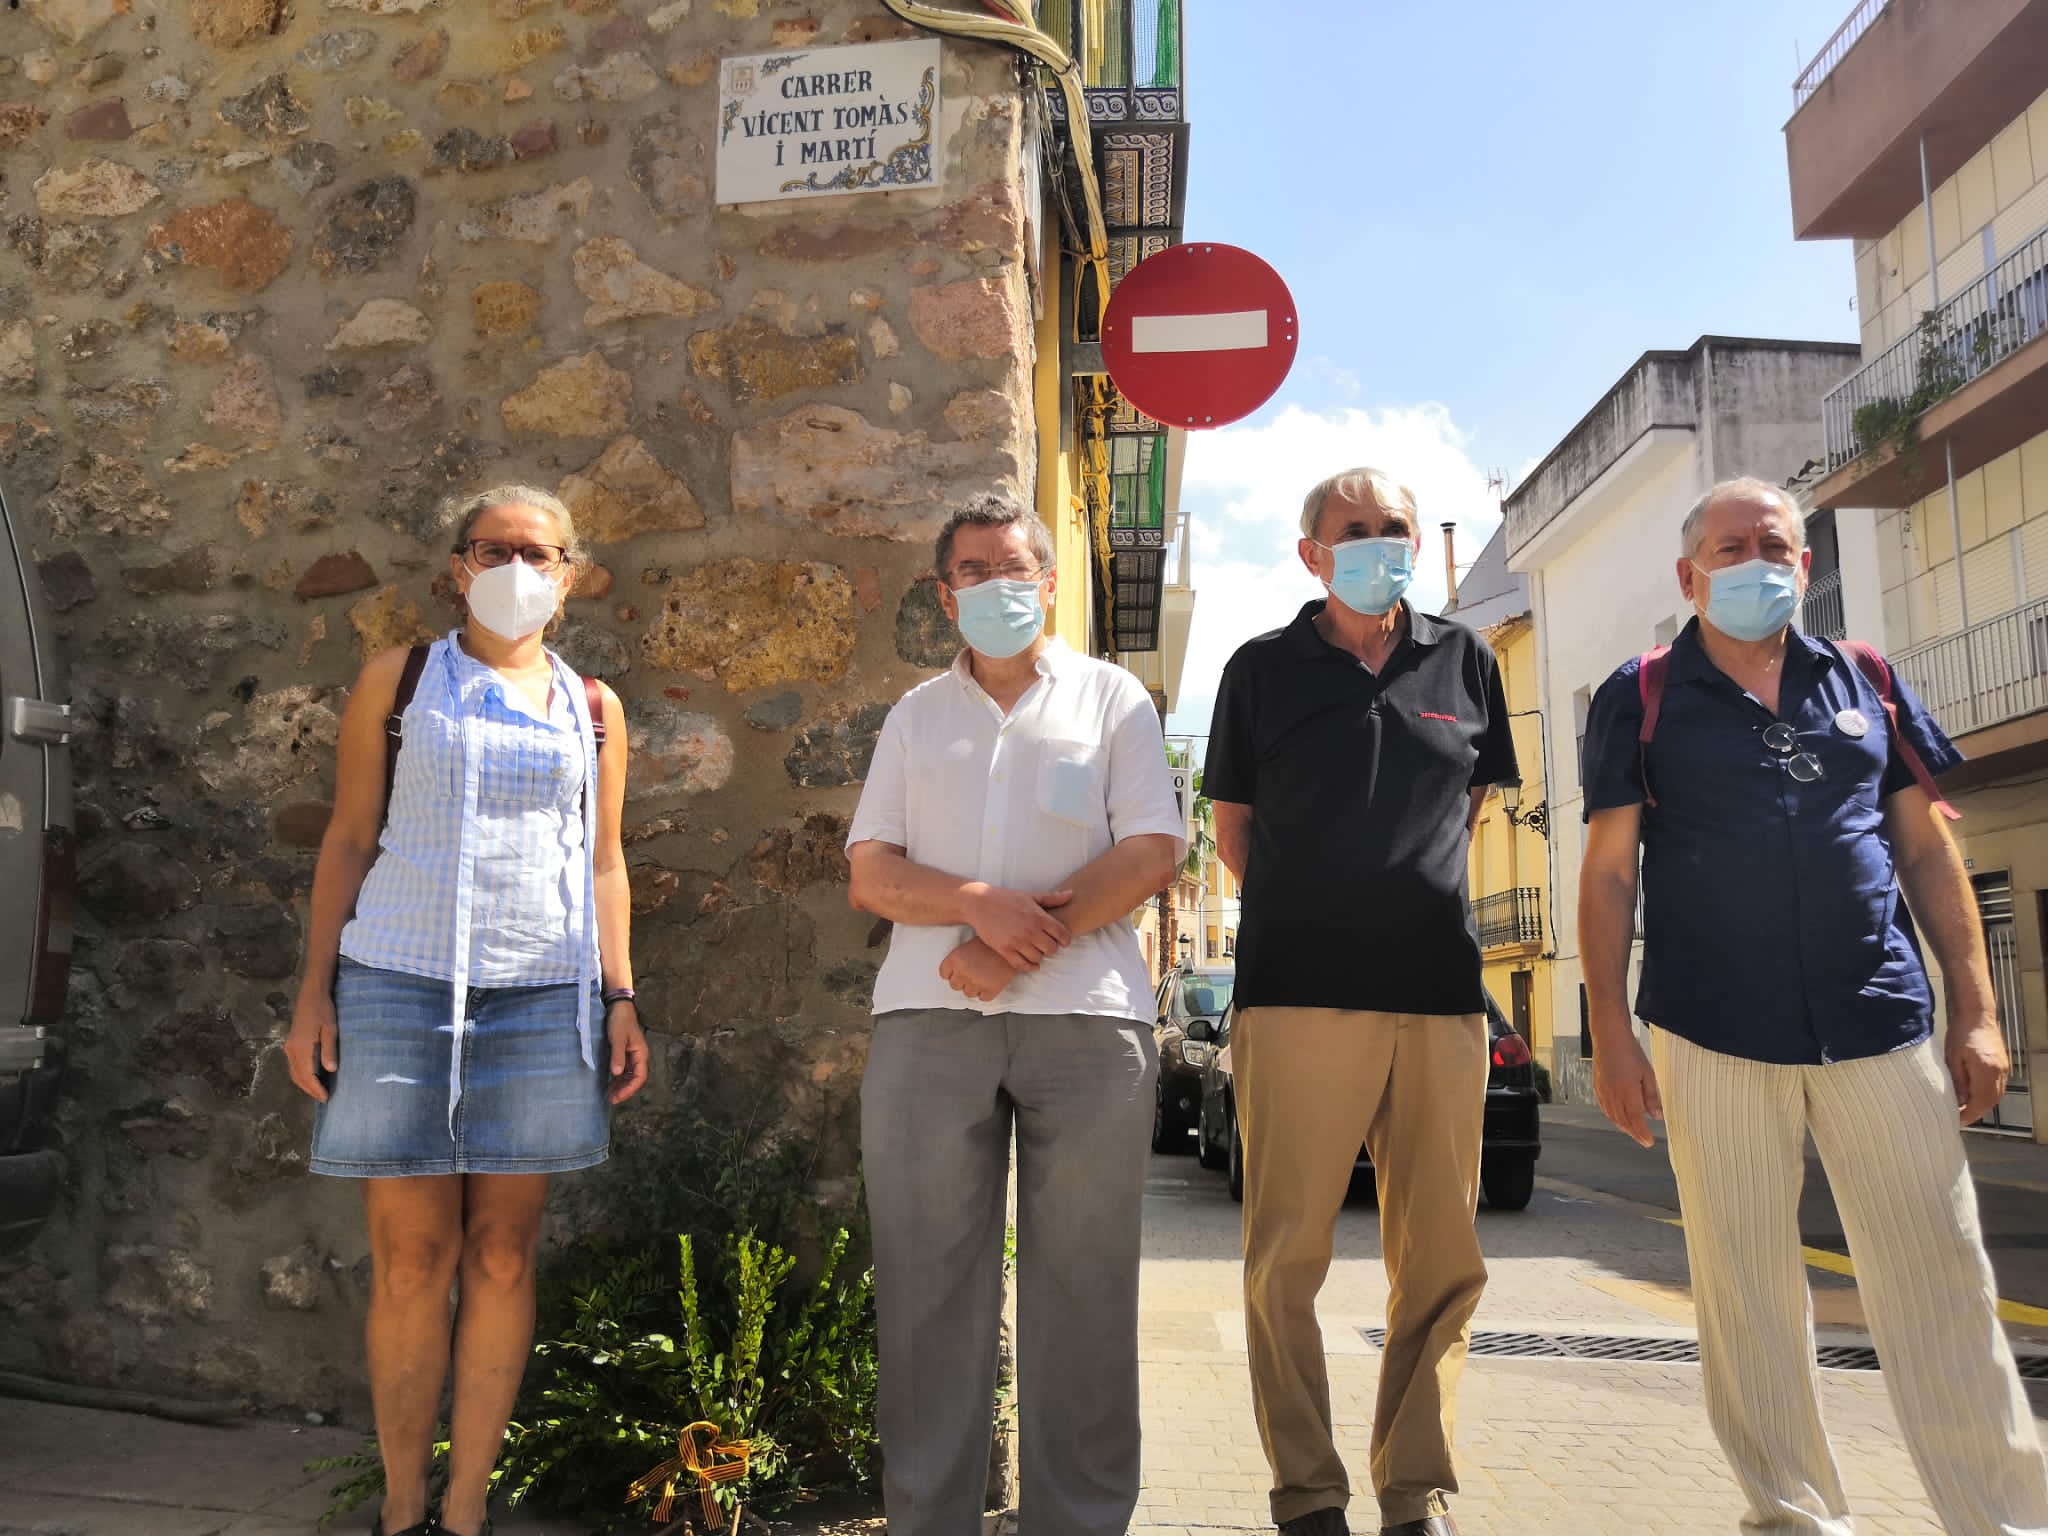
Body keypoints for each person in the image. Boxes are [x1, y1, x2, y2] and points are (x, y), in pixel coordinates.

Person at [1578, 476, 2048, 1534]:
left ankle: (2000, 1518)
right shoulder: (1641, 692)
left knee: (1940, 1280)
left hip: (1878, 1021)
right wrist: (1607, 1028)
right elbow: (1607, 872)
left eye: (1777, 545)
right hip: (1710, 1028)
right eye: (1731, 545)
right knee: (1745, 1296)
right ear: (1687, 573)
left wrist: (1973, 1010)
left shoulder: (1866, 677)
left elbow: (1927, 847)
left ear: (1802, 562)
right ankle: (1793, 1519)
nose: (1757, 561)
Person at [285, 485, 650, 1536]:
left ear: (571, 576)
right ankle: (400, 1513)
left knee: (500, 1253)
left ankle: (465, 1511)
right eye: (494, 550)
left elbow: (606, 862)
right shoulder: (398, 682)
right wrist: (315, 990)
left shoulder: (591, 708)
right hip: (396, 985)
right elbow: (349, 838)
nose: (516, 569)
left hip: (542, 997)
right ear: (456, 566)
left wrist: (618, 995)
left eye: (539, 555)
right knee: (411, 1259)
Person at [846, 491, 1186, 1536]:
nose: (999, 588)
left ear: (1046, 579)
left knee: (1082, 1289)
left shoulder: (1112, 698)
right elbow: (871, 871)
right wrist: (972, 909)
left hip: (1088, 1024)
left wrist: (1019, 946)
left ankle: (1077, 1523)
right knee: (922, 1286)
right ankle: (928, 1521)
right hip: (923, 1017)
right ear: (944, 596)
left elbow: (1152, 849)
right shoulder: (915, 716)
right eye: (975, 574)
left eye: (1015, 569)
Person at [1205, 468, 1517, 1536]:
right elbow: (1232, 831)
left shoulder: (1465, 658)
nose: (1379, 544)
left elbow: (1467, 806)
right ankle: (1306, 1495)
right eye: (1354, 531)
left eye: (1394, 529)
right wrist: (1319, 908)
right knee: (1284, 1258)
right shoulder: (1259, 670)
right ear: (1309, 554)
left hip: (1436, 995)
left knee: (1439, 1259)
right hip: (1295, 995)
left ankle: (1411, 1489)